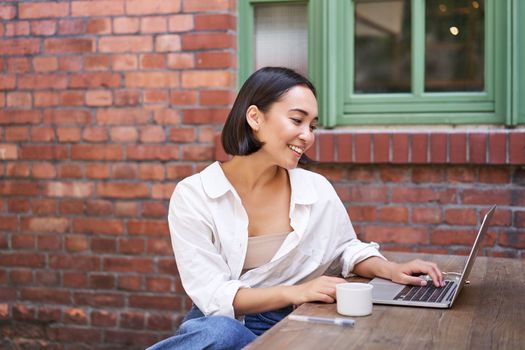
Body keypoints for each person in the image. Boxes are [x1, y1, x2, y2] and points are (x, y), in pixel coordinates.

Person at [147, 67, 444, 350]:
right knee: (223, 334)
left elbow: (345, 249)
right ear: (255, 117)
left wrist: (391, 270)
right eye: (297, 120)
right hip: (221, 324)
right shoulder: (194, 195)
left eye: (312, 125)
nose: (308, 135)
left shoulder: (315, 188)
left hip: (294, 320)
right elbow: (212, 294)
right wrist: (296, 291)